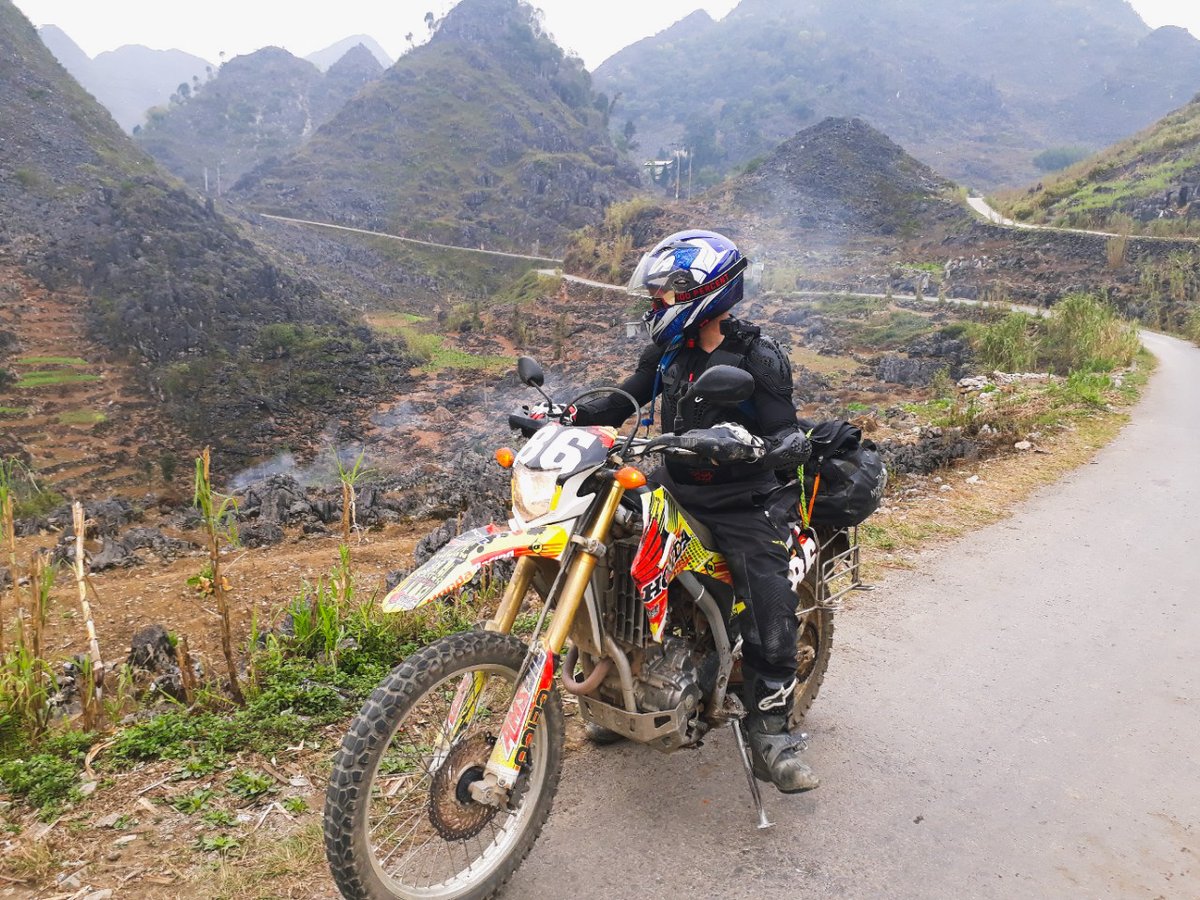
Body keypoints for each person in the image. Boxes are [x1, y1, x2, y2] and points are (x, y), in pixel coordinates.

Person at [566, 229, 818, 793]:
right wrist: (565, 413)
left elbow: (793, 440)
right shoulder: (667, 351)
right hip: (675, 482)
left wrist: (751, 446)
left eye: (668, 296)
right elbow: (624, 398)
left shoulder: (757, 355)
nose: (658, 306)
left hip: (744, 497)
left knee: (768, 594)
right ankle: (619, 685)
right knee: (609, 546)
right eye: (655, 296)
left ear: (708, 291)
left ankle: (772, 729)